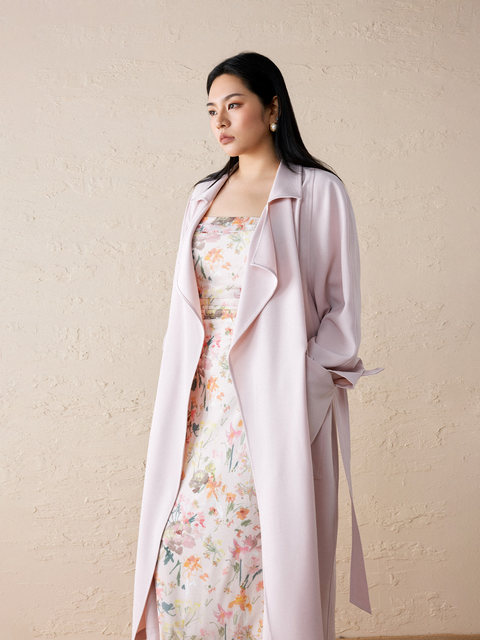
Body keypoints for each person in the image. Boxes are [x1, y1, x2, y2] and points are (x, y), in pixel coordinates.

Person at [130, 51, 383, 640]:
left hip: (274, 395)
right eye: (210, 110)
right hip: (201, 397)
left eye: (234, 104)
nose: (220, 121)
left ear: (272, 108)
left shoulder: (317, 191)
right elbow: (185, 309)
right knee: (185, 531)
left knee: (259, 534)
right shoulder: (202, 196)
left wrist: (304, 383)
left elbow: (342, 310)